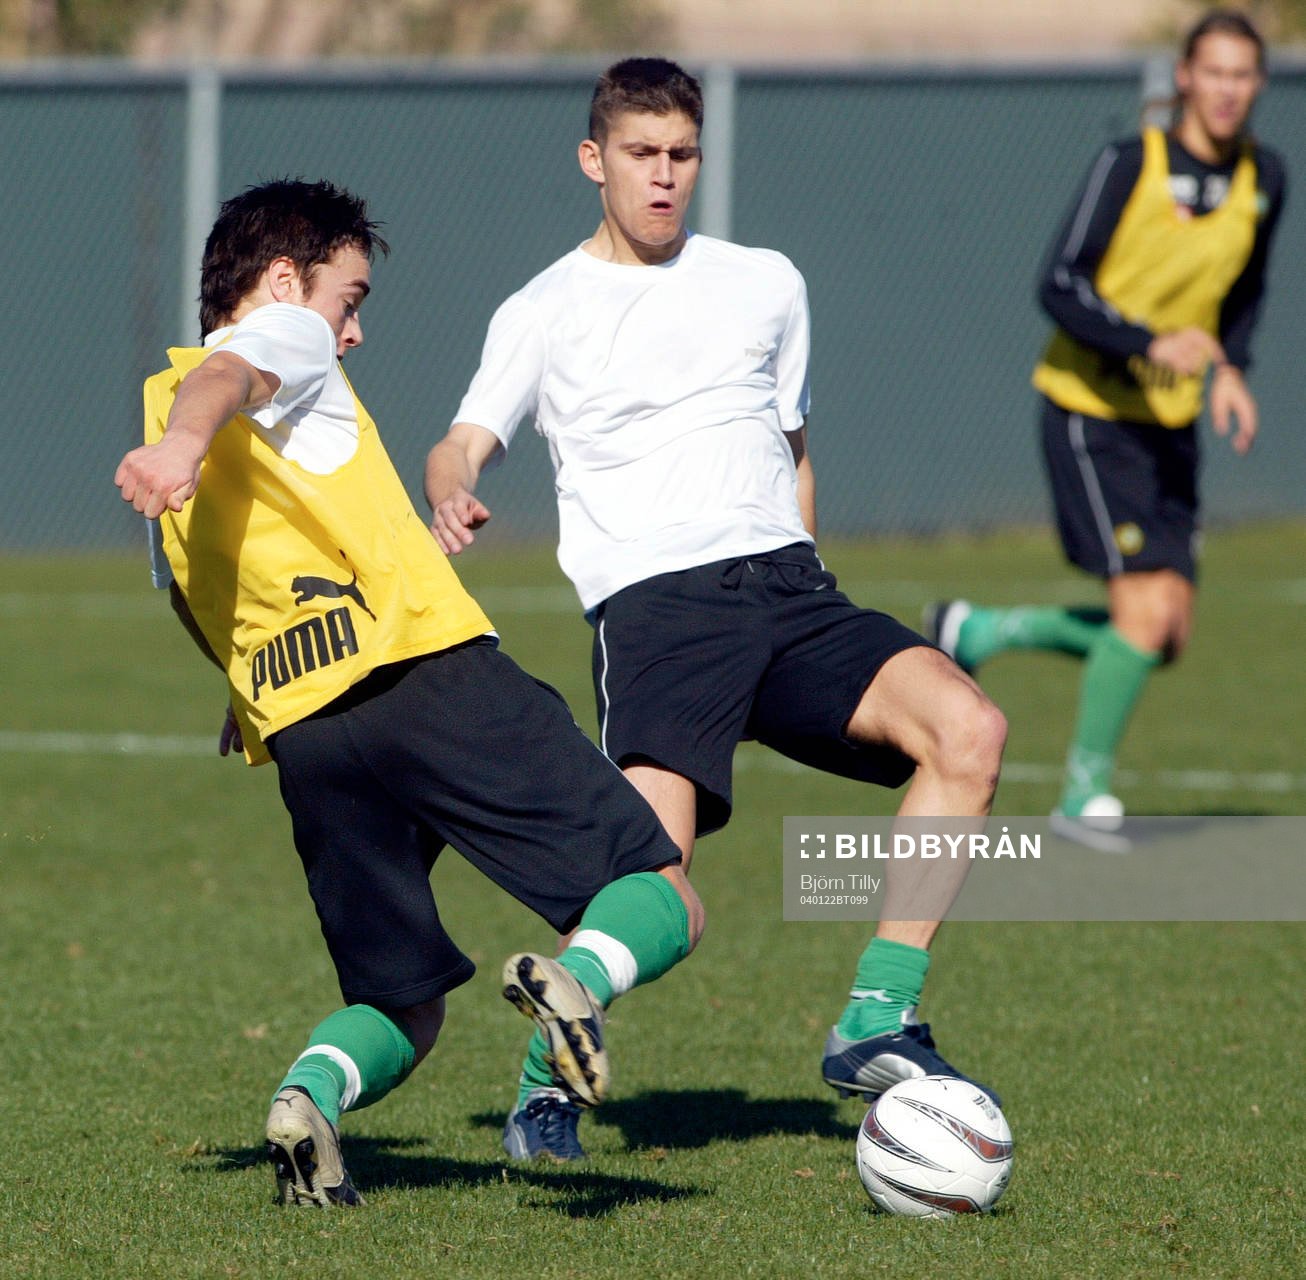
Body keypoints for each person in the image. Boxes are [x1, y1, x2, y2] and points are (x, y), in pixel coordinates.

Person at [426, 58, 1008, 1162]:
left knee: (968, 729)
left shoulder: (766, 281)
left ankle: (875, 1016)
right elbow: (462, 435)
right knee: (644, 873)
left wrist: (809, 563)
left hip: (790, 592)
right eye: (640, 156)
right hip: (659, 612)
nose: (663, 178)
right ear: (593, 160)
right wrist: (451, 483)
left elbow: (792, 448)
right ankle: (543, 1084)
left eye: (681, 156)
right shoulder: (541, 309)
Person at [114, 178, 704, 1205]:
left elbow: (194, 595)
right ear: (289, 279)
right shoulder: (276, 337)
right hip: (422, 673)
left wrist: (240, 690)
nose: (350, 333)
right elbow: (237, 368)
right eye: (351, 299)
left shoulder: (157, 394)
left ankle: (309, 1099)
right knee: (661, 888)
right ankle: (580, 981)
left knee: (401, 1000)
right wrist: (183, 444)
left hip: (304, 732)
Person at [926, 8, 1285, 851]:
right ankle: (1082, 794)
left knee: (1168, 636)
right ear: (1185, 77)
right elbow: (1058, 283)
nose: (1229, 89)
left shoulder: (1266, 175)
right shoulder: (1132, 161)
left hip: (1171, 424)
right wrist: (1146, 338)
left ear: (1258, 85)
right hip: (1091, 412)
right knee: (1142, 614)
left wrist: (1228, 371)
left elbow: (1244, 297)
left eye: (1245, 74)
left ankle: (980, 631)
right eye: (1216, 71)